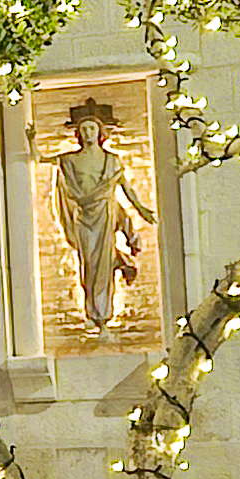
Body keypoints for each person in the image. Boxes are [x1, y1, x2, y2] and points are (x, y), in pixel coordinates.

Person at [50, 99, 154, 338]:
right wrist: (32, 142)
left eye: (92, 128)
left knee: (103, 267)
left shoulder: (111, 161)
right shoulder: (69, 160)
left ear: (100, 133)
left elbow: (124, 186)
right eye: (84, 129)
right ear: (78, 133)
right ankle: (91, 311)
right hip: (83, 217)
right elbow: (44, 161)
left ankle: (103, 318)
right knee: (88, 265)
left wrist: (141, 209)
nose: (88, 132)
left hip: (105, 214)